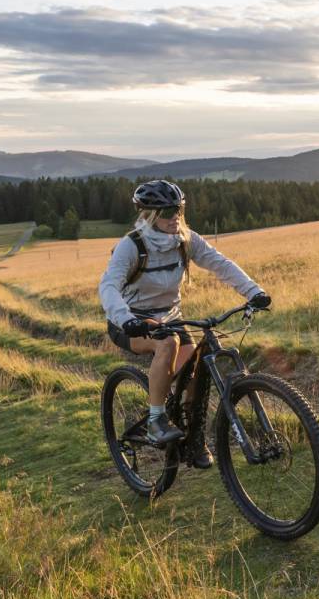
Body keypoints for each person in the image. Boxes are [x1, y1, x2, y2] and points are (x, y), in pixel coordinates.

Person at [98, 179, 271, 462]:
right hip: (130, 321)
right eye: (167, 212)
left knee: (197, 365)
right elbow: (108, 286)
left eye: (178, 209)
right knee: (168, 344)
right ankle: (156, 421)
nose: (175, 216)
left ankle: (194, 438)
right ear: (149, 216)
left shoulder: (186, 239)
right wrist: (126, 319)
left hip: (170, 317)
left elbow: (221, 264)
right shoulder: (131, 246)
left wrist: (254, 291)